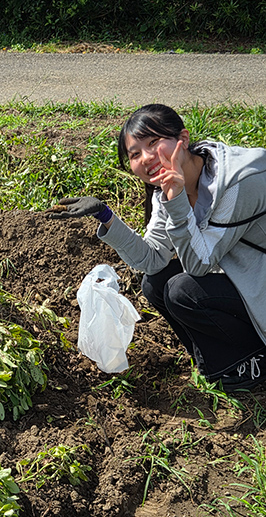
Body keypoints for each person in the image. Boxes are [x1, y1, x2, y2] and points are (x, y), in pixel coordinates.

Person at [49, 103, 266, 392]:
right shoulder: (168, 186)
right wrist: (105, 215)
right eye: (135, 154)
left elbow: (199, 265)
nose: (147, 157)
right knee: (156, 282)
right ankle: (225, 362)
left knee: (183, 290)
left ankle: (255, 359)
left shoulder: (238, 182)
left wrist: (176, 200)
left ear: (183, 139)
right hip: (250, 278)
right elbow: (152, 260)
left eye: (153, 142)